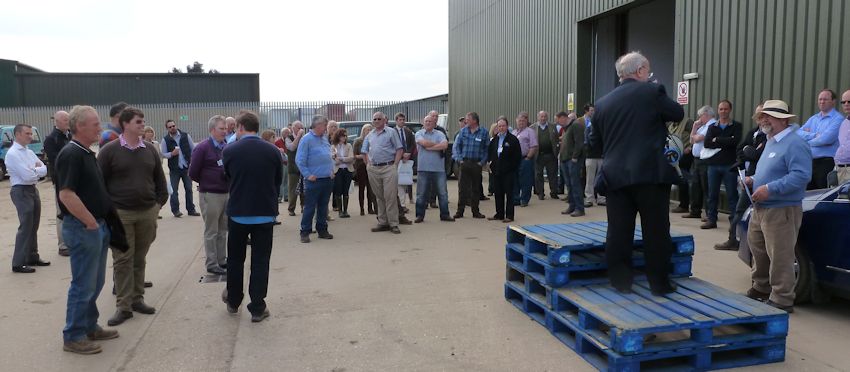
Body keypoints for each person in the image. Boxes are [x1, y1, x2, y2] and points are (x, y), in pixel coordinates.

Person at [588, 51, 684, 295]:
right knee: (656, 232)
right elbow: (677, 114)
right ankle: (659, 284)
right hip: (650, 175)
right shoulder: (652, 92)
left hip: (615, 176)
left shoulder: (602, 103)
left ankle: (621, 283)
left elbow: (594, 145)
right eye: (647, 70)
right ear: (640, 71)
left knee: (619, 232)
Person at [56, 105, 120, 354]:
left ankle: (89, 325)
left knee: (95, 281)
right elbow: (67, 194)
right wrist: (90, 222)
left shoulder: (85, 152)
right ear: (79, 126)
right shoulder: (71, 154)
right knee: (83, 284)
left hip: (96, 226)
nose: (100, 127)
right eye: (94, 124)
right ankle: (73, 335)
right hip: (84, 228)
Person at [98, 107, 168, 326]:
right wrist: (109, 212)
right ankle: (124, 306)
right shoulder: (109, 151)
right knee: (122, 260)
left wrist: (157, 205)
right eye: (138, 121)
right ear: (125, 124)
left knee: (139, 257)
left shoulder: (149, 150)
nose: (142, 125)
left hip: (147, 212)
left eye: (142, 121)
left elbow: (160, 181)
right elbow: (99, 184)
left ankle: (138, 299)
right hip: (121, 214)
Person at [744, 100, 812, 313]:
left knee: (780, 254)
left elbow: (801, 176)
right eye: (762, 117)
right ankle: (762, 287)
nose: (763, 120)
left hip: (782, 208)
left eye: (768, 116)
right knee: (758, 248)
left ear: (783, 119)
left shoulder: (795, 143)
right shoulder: (771, 141)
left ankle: (782, 298)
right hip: (762, 207)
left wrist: (770, 189)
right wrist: (752, 180)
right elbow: (771, 171)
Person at [222, 110, 282, 323]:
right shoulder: (273, 151)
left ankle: (233, 300)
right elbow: (277, 181)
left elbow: (227, 176)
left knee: (235, 260)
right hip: (265, 213)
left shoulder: (230, 151)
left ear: (239, 126)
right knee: (260, 262)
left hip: (239, 212)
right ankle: (257, 307)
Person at [715, 105, 768, 250]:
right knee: (740, 210)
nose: (760, 120)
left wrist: (751, 153)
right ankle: (733, 239)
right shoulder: (753, 132)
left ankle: (755, 245)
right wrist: (748, 152)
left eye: (763, 116)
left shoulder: (769, 136)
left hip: (765, 180)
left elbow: (757, 155)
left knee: (761, 214)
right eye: (758, 116)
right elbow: (741, 150)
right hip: (749, 176)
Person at [189, 115, 230, 275]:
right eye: (222, 128)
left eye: (226, 128)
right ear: (212, 130)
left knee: (222, 229)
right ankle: (212, 263)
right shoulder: (202, 148)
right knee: (211, 230)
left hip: (225, 193)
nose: (225, 131)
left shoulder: (225, 147)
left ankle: (222, 260)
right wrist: (208, 182)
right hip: (210, 194)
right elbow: (193, 173)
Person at [7, 124, 49, 273]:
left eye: (31, 134)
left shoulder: (29, 152)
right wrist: (36, 169)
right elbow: (27, 175)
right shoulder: (13, 154)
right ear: (18, 134)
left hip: (32, 188)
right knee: (25, 226)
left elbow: (44, 169)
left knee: (34, 225)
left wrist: (35, 169)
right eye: (27, 134)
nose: (30, 136)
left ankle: (32, 256)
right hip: (21, 190)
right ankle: (18, 262)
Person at [701, 100, 742, 230]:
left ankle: (734, 223)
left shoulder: (736, 126)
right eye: (721, 109)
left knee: (732, 195)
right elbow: (707, 143)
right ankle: (711, 219)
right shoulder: (712, 127)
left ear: (730, 110)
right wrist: (726, 140)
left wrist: (717, 139)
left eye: (725, 109)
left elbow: (735, 142)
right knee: (712, 194)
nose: (723, 111)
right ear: (718, 111)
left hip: (729, 165)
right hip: (713, 165)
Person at [362, 112, 404, 234]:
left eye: (379, 119)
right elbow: (364, 151)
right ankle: (383, 222)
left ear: (384, 120)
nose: (376, 121)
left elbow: (399, 149)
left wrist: (395, 165)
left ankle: (393, 223)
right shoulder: (369, 135)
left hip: (388, 167)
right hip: (374, 169)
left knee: (390, 196)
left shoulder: (391, 132)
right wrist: (368, 165)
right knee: (379, 197)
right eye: (374, 119)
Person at [295, 116, 335, 243]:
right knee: (310, 207)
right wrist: (307, 174)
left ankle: (322, 230)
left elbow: (328, 155)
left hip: (326, 178)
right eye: (325, 125)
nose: (326, 128)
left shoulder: (324, 138)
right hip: (313, 180)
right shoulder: (306, 139)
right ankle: (305, 231)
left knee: (323, 206)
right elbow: (299, 160)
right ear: (318, 125)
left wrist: (331, 170)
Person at [797, 89, 844, 189]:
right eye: (820, 99)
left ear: (833, 101)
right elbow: (798, 133)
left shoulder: (838, 119)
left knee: (822, 194)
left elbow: (825, 139)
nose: (822, 102)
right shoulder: (814, 119)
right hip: (809, 163)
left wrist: (806, 142)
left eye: (825, 99)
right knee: (807, 195)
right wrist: (814, 135)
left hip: (826, 164)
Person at [413, 114, 453, 223]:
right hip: (423, 169)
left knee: (443, 193)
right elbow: (423, 143)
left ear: (434, 123)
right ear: (423, 122)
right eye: (426, 121)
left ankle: (445, 214)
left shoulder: (440, 133)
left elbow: (445, 146)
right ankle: (419, 215)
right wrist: (436, 145)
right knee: (421, 194)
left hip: (438, 169)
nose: (428, 123)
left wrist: (429, 147)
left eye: (430, 121)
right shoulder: (419, 133)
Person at [44, 110, 72, 257]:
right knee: (61, 212)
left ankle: (72, 241)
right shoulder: (51, 139)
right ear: (57, 121)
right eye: (66, 120)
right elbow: (56, 162)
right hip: (61, 181)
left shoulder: (70, 136)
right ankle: (63, 245)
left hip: (74, 179)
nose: (69, 123)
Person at [452, 112, 489, 219]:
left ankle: (475, 211)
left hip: (476, 164)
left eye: (468, 119)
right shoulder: (463, 131)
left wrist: (481, 162)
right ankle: (460, 211)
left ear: (474, 120)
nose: (465, 121)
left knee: (475, 189)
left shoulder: (484, 132)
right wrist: (459, 160)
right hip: (465, 163)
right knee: (462, 189)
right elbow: (457, 147)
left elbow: (487, 149)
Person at [683, 105, 716, 220]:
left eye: (700, 116)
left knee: (706, 186)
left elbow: (697, 139)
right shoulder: (702, 126)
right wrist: (694, 127)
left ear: (706, 114)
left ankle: (709, 213)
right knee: (695, 185)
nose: (699, 118)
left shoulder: (711, 125)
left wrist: (694, 131)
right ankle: (695, 210)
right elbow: (692, 140)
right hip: (697, 160)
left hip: (706, 160)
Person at [160, 119, 197, 217]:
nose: (172, 128)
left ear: (176, 125)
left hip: (186, 168)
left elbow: (193, 149)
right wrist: (171, 154)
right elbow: (163, 154)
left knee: (189, 189)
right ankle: (176, 211)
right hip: (174, 169)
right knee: (174, 191)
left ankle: (191, 210)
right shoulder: (165, 140)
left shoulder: (185, 136)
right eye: (170, 127)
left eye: (173, 126)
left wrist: (192, 162)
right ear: (167, 129)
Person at [487, 116, 521, 222]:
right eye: (499, 126)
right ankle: (499, 214)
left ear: (507, 126)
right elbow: (490, 153)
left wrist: (511, 168)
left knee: (509, 194)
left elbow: (517, 156)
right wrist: (491, 165)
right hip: (497, 172)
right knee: (498, 193)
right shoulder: (494, 140)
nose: (501, 128)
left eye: (503, 126)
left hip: (508, 172)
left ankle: (509, 215)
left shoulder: (513, 139)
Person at [559, 110, 586, 217]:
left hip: (573, 160)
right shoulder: (566, 128)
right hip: (565, 160)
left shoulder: (576, 125)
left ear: (563, 117)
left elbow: (579, 142)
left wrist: (575, 157)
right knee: (569, 185)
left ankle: (580, 208)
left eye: (558, 120)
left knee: (575, 184)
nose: (558, 123)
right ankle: (572, 205)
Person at [531, 111, 559, 200]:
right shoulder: (533, 128)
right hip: (538, 155)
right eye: (541, 116)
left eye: (544, 116)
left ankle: (554, 192)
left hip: (551, 155)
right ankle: (540, 193)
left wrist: (556, 151)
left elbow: (557, 139)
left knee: (553, 175)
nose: (543, 118)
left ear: (547, 117)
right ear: (538, 117)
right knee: (538, 175)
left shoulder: (553, 126)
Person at [668, 117, 694, 213]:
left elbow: (695, 134)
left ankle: (684, 205)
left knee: (682, 177)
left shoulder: (688, 122)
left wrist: (690, 148)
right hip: (673, 154)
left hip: (685, 154)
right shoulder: (672, 124)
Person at [512, 112, 538, 207]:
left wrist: (528, 157)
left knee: (525, 180)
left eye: (523, 121)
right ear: (516, 121)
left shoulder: (530, 131)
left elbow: (534, 146)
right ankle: (516, 199)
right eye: (519, 120)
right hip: (515, 160)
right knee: (515, 180)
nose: (521, 122)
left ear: (526, 121)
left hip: (525, 159)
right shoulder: (514, 132)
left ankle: (524, 199)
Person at [582, 104, 604, 207]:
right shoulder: (588, 127)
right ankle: (589, 198)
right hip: (591, 156)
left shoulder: (603, 127)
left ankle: (601, 197)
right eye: (592, 111)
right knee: (590, 179)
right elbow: (586, 141)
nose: (594, 112)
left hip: (601, 156)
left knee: (601, 178)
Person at [353, 124, 377, 215]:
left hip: (371, 166)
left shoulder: (373, 140)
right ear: (363, 131)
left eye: (371, 129)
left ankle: (370, 208)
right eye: (367, 130)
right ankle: (362, 208)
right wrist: (364, 156)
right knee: (361, 188)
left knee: (371, 189)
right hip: (361, 166)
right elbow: (354, 155)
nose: (369, 131)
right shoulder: (358, 141)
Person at [331, 128, 354, 219]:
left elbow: (351, 158)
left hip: (347, 170)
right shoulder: (333, 146)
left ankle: (345, 211)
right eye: (342, 135)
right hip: (338, 171)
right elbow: (334, 160)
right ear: (338, 136)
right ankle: (340, 211)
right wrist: (343, 159)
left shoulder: (348, 145)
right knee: (338, 190)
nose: (344, 137)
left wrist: (341, 158)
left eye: (345, 136)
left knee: (346, 190)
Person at [285, 121, 306, 216]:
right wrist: (298, 136)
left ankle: (304, 207)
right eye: (299, 128)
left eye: (302, 128)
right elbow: (292, 147)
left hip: (304, 167)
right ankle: (291, 209)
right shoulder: (288, 138)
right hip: (293, 168)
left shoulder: (305, 138)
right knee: (293, 190)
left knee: (304, 189)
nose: (301, 130)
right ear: (293, 128)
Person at [835, 90, 850, 185]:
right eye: (843, 102)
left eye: (849, 101)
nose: (846, 104)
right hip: (840, 169)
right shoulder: (844, 123)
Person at [275, 127, 290, 203]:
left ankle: (286, 196)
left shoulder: (289, 141)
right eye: (286, 133)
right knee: (282, 180)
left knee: (287, 180)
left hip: (288, 162)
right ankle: (280, 196)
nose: (287, 134)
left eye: (288, 133)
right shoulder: (278, 142)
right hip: (282, 162)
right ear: (282, 133)